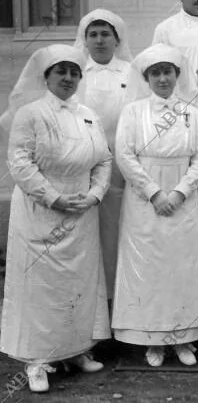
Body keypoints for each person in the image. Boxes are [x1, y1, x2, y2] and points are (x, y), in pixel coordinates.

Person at [0, 44, 111, 393]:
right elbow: (19, 162)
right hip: (41, 210)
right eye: (60, 72)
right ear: (46, 76)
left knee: (77, 284)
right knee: (41, 286)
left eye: (74, 72)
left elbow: (103, 159)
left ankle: (76, 349)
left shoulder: (88, 114)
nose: (68, 78)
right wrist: (54, 198)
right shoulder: (30, 114)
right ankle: (36, 361)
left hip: (81, 209)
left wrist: (94, 194)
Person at [112, 44, 198, 368]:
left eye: (168, 72)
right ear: (147, 78)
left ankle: (183, 338)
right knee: (150, 269)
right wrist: (154, 193)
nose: (163, 78)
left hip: (183, 196)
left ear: (176, 75)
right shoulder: (133, 112)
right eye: (156, 73)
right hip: (144, 198)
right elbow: (124, 155)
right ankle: (152, 341)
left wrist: (181, 192)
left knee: (181, 267)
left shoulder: (192, 113)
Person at [74, 8, 132, 299]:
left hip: (124, 163)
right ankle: (93, 300)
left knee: (120, 226)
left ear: (116, 39)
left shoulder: (131, 72)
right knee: (90, 229)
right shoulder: (77, 73)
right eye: (93, 34)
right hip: (87, 162)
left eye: (105, 34)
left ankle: (121, 296)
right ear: (85, 40)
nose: (99, 40)